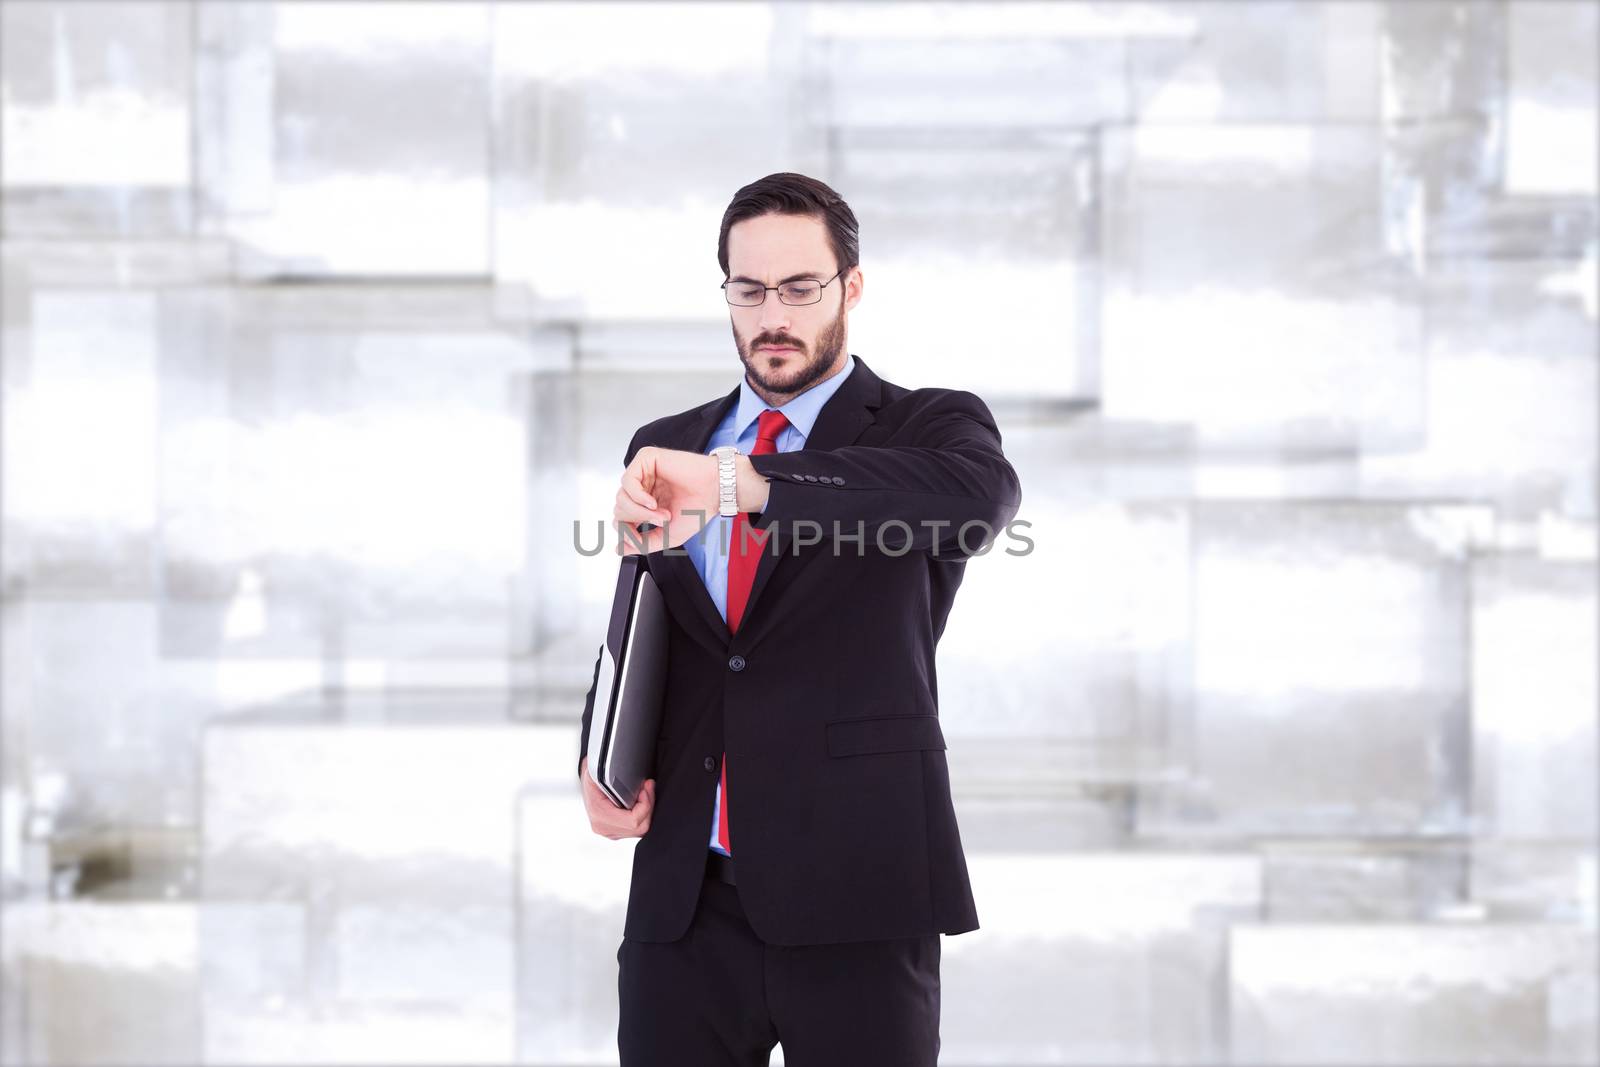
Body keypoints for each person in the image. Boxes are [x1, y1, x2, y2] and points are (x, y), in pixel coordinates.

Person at [577, 171, 1022, 1067]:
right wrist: (600, 755)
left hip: (858, 889)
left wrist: (742, 485)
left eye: (799, 287)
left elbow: (979, 502)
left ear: (849, 288)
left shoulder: (924, 428)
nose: (771, 314)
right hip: (685, 902)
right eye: (749, 290)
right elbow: (641, 623)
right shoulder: (669, 442)